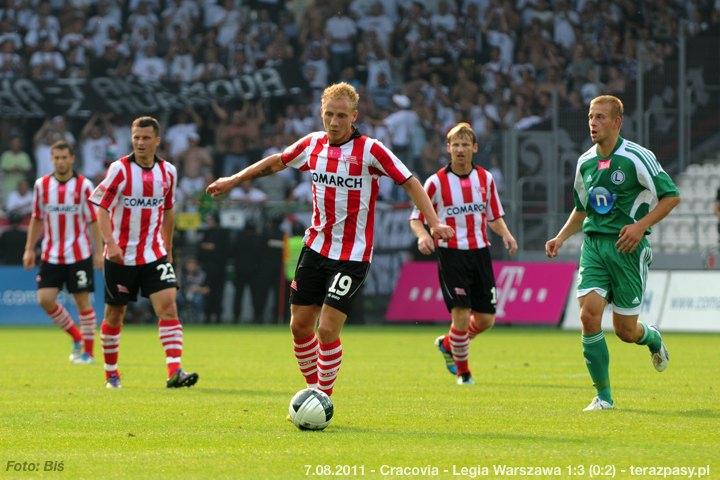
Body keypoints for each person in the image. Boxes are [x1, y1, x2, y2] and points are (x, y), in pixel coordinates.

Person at [207, 82, 454, 398]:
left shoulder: (371, 150)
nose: (334, 122)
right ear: (321, 113)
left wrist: (433, 222)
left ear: (354, 116)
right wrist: (234, 179)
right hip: (315, 248)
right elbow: (276, 162)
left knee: (326, 329)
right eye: (329, 114)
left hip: (352, 255)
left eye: (341, 115)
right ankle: (313, 390)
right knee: (299, 327)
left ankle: (323, 395)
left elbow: (410, 182)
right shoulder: (312, 145)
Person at [545, 95, 680, 411]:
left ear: (617, 122)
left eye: (601, 117)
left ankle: (652, 339)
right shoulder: (585, 162)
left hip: (628, 249)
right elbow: (581, 209)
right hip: (594, 246)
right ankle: (603, 396)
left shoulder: (636, 157)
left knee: (625, 331)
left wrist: (639, 226)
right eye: (591, 117)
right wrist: (561, 237)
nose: (593, 123)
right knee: (588, 315)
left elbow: (671, 196)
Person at [89, 116, 199, 389]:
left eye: (146, 137)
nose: (140, 142)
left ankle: (175, 371)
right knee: (115, 315)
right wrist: (110, 243)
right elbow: (101, 207)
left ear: (157, 140)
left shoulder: (169, 172)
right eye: (136, 137)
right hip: (120, 256)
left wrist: (168, 247)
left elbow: (169, 210)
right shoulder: (119, 169)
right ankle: (111, 372)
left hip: (154, 254)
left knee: (169, 308)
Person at [410, 123, 518, 385]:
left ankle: (449, 343)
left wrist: (505, 233)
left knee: (485, 320)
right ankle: (463, 373)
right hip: (451, 255)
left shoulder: (486, 179)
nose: (460, 149)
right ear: (448, 148)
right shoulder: (435, 182)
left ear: (474, 148)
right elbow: (416, 218)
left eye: (465, 144)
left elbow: (493, 215)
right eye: (455, 145)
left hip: (480, 252)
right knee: (460, 313)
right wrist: (424, 235)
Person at [22, 140, 103, 365]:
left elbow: (93, 221)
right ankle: (76, 338)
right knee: (45, 299)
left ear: (72, 158)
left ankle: (88, 353)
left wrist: (99, 252)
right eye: (56, 158)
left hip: (79, 254)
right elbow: (37, 218)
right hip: (51, 254)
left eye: (64, 157)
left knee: (82, 303)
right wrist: (29, 248)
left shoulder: (84, 186)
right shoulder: (41, 185)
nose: (60, 161)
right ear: (52, 159)